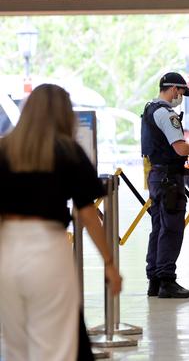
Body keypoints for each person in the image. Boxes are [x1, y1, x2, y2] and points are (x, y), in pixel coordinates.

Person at [0, 84, 122, 360]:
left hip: (6, 251)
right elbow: (88, 214)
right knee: (57, 345)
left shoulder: (4, 149)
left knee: (17, 346)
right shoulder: (68, 151)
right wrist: (110, 264)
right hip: (48, 249)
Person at [142, 72, 189, 298]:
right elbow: (180, 149)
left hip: (157, 176)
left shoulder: (149, 109)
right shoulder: (165, 113)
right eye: (181, 92)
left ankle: (155, 280)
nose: (181, 97)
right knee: (171, 228)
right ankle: (167, 280)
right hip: (169, 179)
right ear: (173, 89)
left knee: (159, 227)